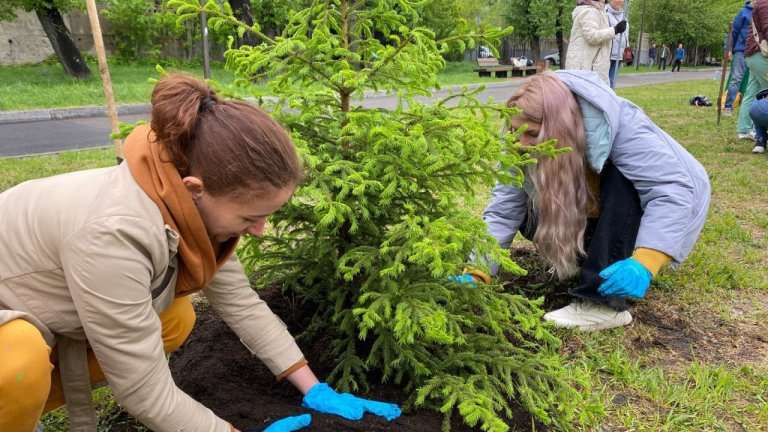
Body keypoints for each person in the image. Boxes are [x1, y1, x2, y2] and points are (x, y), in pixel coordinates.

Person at [0, 74, 400, 432]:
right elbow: (141, 392)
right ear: (195, 188)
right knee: (20, 361)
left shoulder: (184, 201)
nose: (260, 230)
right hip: (10, 322)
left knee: (175, 317)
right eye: (251, 217)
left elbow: (242, 304)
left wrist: (313, 387)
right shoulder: (113, 233)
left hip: (45, 301)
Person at [462, 70, 711, 331]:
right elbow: (505, 209)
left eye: (533, 134)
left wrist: (646, 261)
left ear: (559, 127)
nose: (522, 143)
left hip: (668, 204)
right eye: (516, 131)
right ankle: (586, 259)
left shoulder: (623, 129)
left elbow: (671, 190)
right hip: (594, 205)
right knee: (527, 207)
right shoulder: (519, 136)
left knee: (621, 178)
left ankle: (603, 304)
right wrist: (477, 270)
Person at [565, 0, 627, 85]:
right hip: (586, 66)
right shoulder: (589, 11)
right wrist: (615, 30)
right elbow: (592, 36)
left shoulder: (597, 10)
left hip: (591, 64)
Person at [741, 0, 768, 151]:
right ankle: (760, 139)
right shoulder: (765, 3)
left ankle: (745, 130)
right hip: (760, 55)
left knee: (753, 94)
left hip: (753, 54)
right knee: (765, 96)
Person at [725, 1, 754, 116]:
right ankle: (728, 106)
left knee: (754, 82)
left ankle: (751, 108)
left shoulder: (763, 11)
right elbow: (734, 32)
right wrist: (729, 49)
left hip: (756, 52)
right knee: (736, 78)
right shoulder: (744, 12)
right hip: (741, 51)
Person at [606, 0, 629, 88]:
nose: (619, 1)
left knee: (612, 83)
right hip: (607, 55)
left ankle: (609, 100)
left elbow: (626, 34)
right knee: (605, 82)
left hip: (618, 55)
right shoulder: (605, 13)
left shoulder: (624, 15)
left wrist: (626, 48)